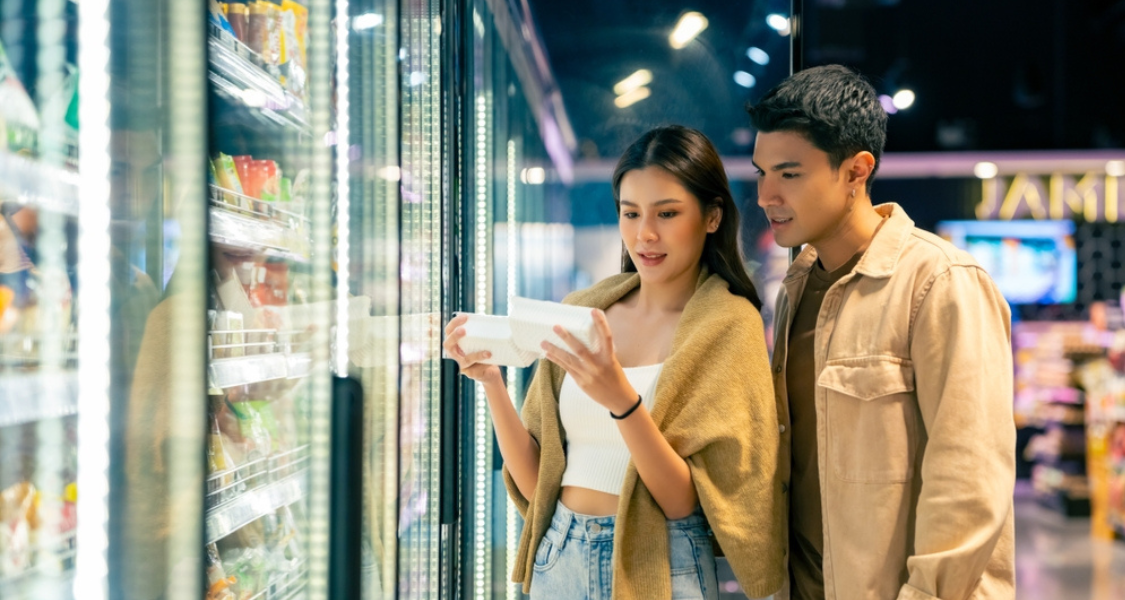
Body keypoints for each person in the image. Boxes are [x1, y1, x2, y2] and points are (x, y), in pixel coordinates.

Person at [444, 125, 785, 600]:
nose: (645, 234)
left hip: (663, 566)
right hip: (558, 555)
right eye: (630, 213)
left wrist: (620, 399)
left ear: (712, 217)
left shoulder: (728, 325)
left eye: (667, 213)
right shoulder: (583, 312)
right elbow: (537, 481)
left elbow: (683, 502)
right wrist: (492, 383)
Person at [747, 64, 1016, 600]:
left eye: (789, 174)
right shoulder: (796, 285)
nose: (766, 195)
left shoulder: (940, 282)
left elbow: (970, 482)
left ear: (855, 171)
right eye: (760, 173)